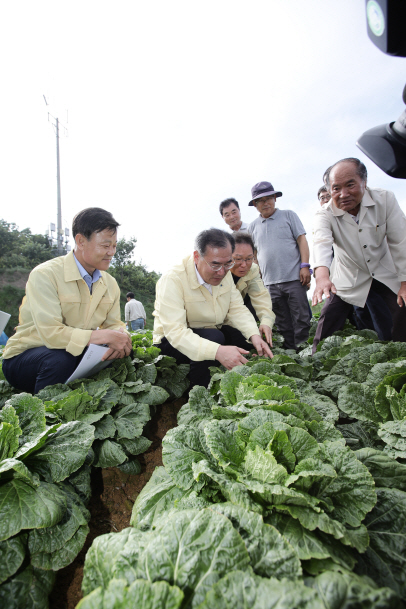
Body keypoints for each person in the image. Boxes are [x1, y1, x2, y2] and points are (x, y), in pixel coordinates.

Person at [2, 207, 132, 394]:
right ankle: (47, 416)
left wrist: (120, 336)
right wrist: (103, 336)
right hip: (27, 357)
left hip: (74, 352)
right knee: (60, 358)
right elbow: (51, 334)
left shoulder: (110, 283)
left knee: (123, 352)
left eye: (114, 245)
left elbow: (114, 324)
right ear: (80, 241)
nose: (111, 252)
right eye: (105, 245)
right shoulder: (46, 275)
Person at [153, 228, 273, 388]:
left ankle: (234, 384)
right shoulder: (172, 279)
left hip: (209, 330)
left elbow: (236, 308)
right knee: (214, 338)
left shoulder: (225, 273)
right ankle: (197, 392)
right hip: (170, 342)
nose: (222, 272)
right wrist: (217, 351)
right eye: (215, 264)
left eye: (228, 263)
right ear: (197, 256)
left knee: (241, 339)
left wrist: (254, 335)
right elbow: (175, 333)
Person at [312, 158, 406, 352]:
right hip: (348, 273)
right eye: (336, 188)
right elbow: (321, 243)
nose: (343, 194)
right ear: (329, 190)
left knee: (401, 310)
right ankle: (315, 363)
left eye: (350, 185)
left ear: (364, 182)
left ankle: (398, 357)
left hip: (383, 269)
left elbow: (400, 241)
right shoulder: (325, 213)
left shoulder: (385, 199)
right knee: (329, 317)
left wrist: (404, 282)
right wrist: (322, 277)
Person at [248, 181, 311, 351]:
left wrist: (305, 266)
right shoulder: (252, 227)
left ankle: (305, 352)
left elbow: (302, 240)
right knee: (282, 321)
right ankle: (291, 353)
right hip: (269, 283)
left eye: (269, 198)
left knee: (302, 318)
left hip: (294, 278)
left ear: (275, 198)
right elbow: (253, 254)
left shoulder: (289, 215)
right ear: (255, 204)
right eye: (260, 200)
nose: (265, 203)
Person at [230, 232, 275, 347]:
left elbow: (260, 296)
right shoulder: (220, 272)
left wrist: (266, 322)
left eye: (249, 258)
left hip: (239, 309)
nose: (244, 265)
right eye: (238, 259)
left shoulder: (253, 269)